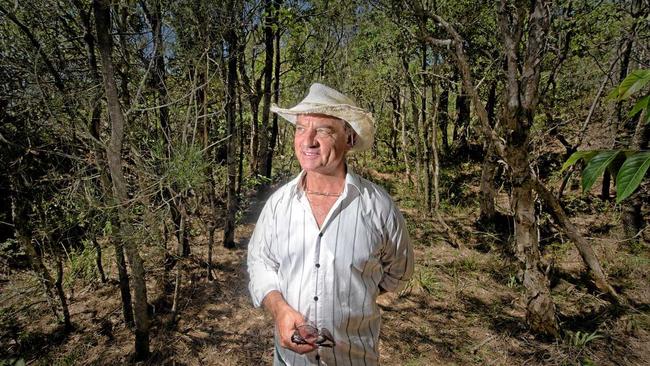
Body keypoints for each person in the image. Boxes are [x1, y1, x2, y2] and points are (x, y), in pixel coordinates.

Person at [247, 83, 414, 365]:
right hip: (290, 361)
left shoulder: (378, 206)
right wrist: (280, 309)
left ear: (348, 138)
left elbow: (399, 273)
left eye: (323, 130)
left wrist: (353, 298)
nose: (307, 140)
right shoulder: (279, 204)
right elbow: (260, 262)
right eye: (301, 128)